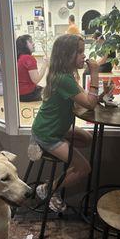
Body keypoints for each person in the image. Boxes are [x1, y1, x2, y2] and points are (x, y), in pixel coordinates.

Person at [31, 34, 99, 213]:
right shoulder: (63, 79)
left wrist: (98, 94)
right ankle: (48, 189)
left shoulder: (66, 75)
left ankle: (65, 164)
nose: (84, 56)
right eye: (79, 52)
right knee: (84, 168)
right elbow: (89, 103)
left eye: (83, 51)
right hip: (48, 134)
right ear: (66, 55)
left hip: (56, 128)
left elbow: (82, 99)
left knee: (87, 139)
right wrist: (95, 74)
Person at [16, 35, 48, 102]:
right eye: (30, 42)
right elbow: (36, 80)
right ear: (24, 45)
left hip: (18, 93)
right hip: (27, 94)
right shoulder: (28, 58)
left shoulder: (18, 58)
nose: (33, 43)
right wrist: (45, 64)